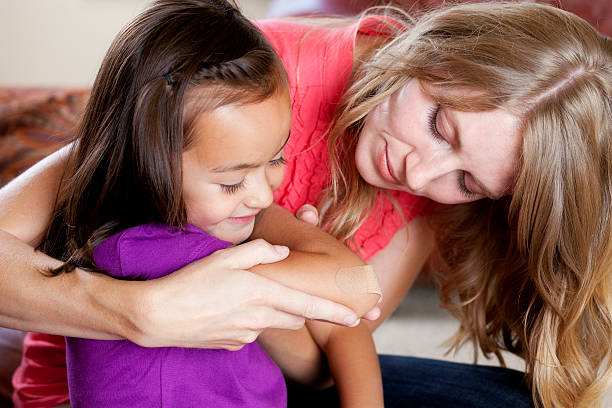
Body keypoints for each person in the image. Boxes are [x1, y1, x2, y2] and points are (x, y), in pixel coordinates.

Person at [1, 1, 610, 407]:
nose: (420, 173)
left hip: (253, 378)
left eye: (470, 183)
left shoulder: (425, 194)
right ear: (434, 51)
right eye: (438, 125)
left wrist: (260, 289)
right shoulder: (246, 84)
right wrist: (142, 311)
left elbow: (324, 360)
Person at [10, 1, 385, 407]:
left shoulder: (238, 215)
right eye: (230, 181)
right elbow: (349, 294)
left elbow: (359, 292)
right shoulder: (128, 247)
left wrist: (243, 274)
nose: (263, 195)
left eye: (276, 158)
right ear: (149, 167)